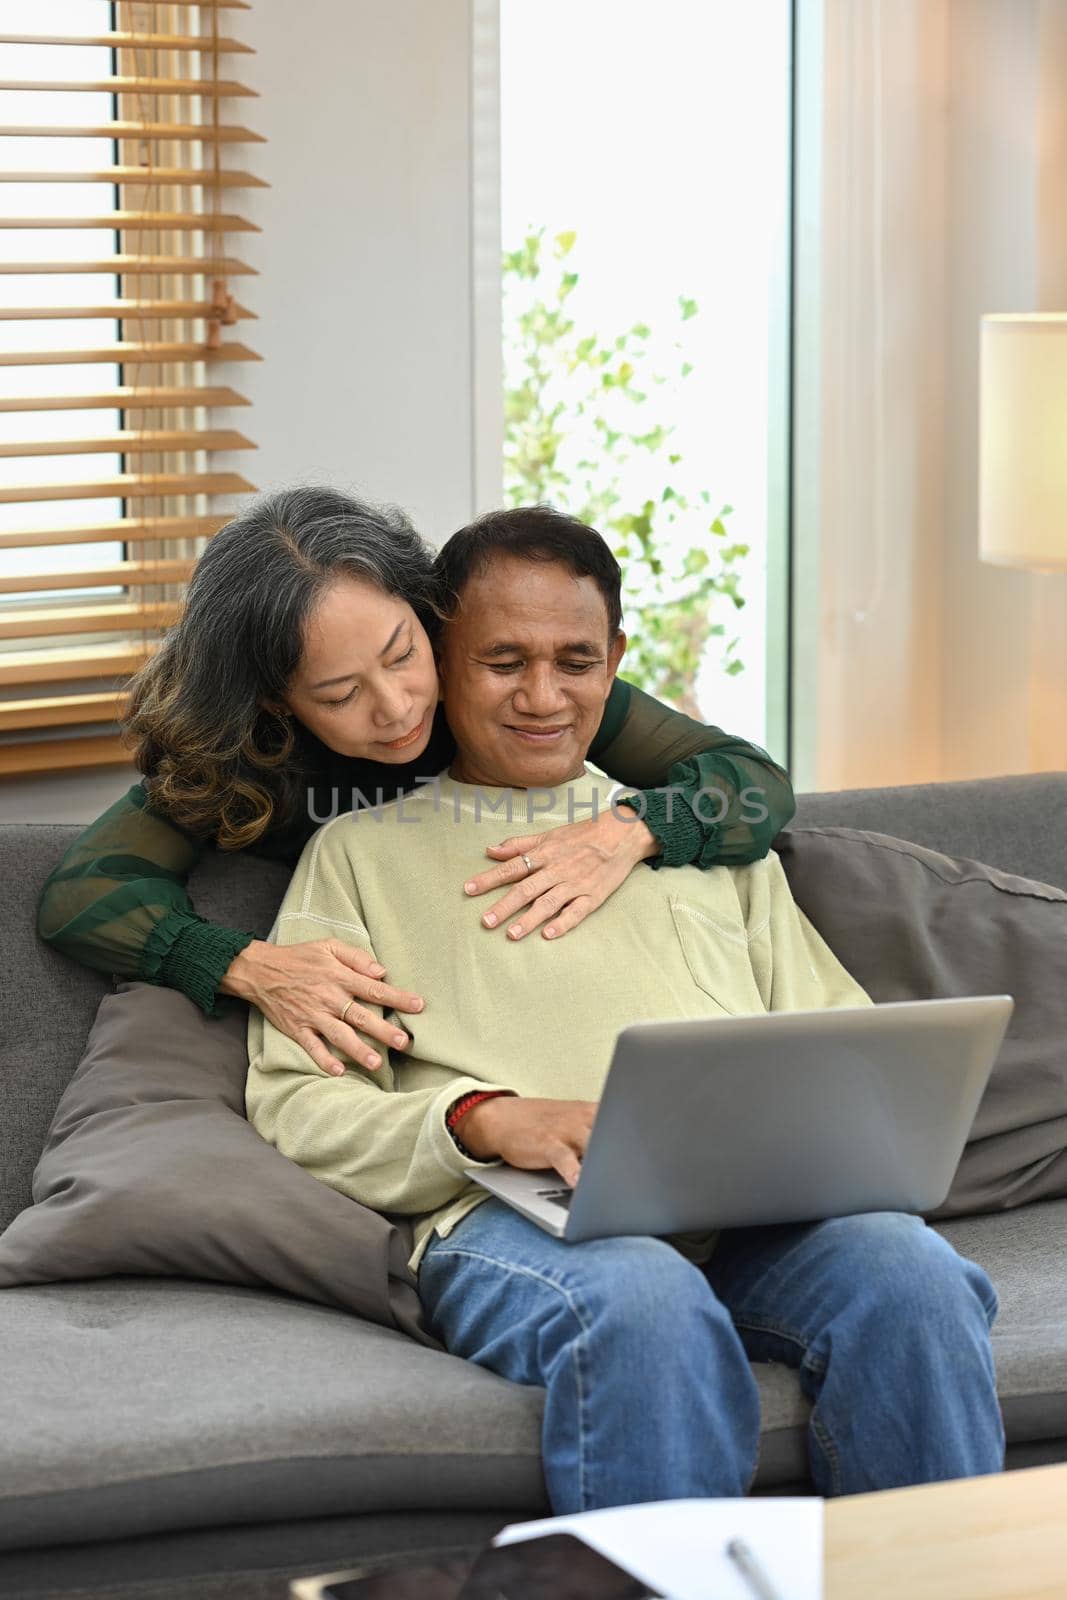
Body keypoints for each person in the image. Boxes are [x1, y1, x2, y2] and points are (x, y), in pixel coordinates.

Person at [245, 506, 1004, 1513]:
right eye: (501, 662)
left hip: (753, 1213)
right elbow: (298, 1105)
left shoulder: (693, 837)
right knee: (641, 1299)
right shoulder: (358, 857)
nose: (542, 696)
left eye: (573, 660)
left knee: (912, 1275)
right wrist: (483, 1119)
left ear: (615, 660)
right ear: (443, 657)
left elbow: (836, 1033)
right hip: (519, 1222)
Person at [36, 488, 795, 1077]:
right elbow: (83, 892)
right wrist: (246, 965)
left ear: (426, 616)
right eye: (338, 694)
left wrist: (630, 830)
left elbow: (752, 781)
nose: (397, 708)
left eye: (403, 655)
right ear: (275, 702)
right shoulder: (240, 757)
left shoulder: (521, 694)